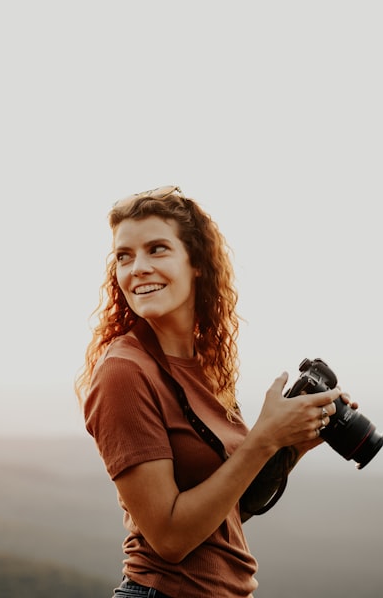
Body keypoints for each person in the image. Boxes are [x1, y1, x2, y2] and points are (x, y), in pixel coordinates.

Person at [75, 185, 356, 598]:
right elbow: (170, 539)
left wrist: (293, 445)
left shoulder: (203, 367)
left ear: (197, 265)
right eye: (124, 256)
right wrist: (264, 437)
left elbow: (232, 508)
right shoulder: (124, 372)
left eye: (157, 249)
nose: (137, 268)